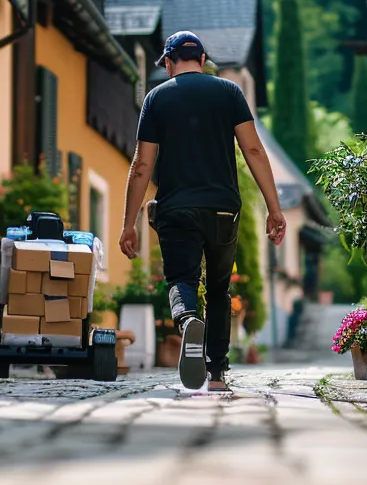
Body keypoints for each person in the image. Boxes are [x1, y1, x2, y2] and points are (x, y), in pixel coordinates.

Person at [119, 31, 285, 392]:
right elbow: (253, 151)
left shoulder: (156, 98)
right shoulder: (229, 93)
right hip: (224, 209)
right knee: (220, 288)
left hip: (177, 209)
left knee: (182, 279)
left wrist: (128, 223)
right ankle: (218, 374)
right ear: (204, 58)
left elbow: (142, 166)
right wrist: (274, 208)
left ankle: (188, 319)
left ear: (167, 62)